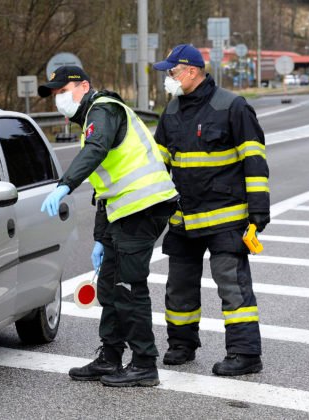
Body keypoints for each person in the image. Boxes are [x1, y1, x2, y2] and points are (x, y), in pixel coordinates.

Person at [38, 66, 178, 387]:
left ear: (84, 86)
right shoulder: (92, 117)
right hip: (126, 211)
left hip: (144, 207)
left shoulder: (103, 110)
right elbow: (105, 190)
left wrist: (65, 185)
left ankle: (144, 364)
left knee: (128, 287)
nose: (59, 98)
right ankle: (110, 357)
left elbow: (96, 150)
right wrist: (100, 238)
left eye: (64, 90)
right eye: (55, 94)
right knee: (110, 286)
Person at [152, 44, 270, 376]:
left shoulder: (232, 107)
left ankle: (246, 354)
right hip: (184, 218)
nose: (168, 78)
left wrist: (258, 210)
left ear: (190, 71)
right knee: (179, 286)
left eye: (171, 72)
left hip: (226, 219)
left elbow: (254, 159)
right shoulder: (171, 112)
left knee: (232, 286)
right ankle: (181, 344)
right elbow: (158, 165)